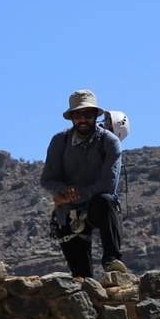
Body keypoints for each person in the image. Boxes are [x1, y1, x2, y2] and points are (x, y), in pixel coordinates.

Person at [41, 89, 125, 278]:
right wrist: (62, 192)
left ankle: (112, 261)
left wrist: (76, 194)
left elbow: (108, 184)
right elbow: (47, 179)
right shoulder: (59, 141)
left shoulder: (109, 142)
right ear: (71, 117)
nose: (83, 119)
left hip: (97, 205)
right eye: (78, 115)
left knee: (106, 201)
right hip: (68, 212)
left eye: (87, 114)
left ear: (95, 115)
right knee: (81, 278)